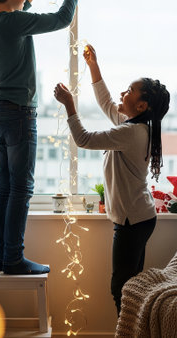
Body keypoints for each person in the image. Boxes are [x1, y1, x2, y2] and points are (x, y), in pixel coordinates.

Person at [54, 44, 170, 313]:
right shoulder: (135, 127)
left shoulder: (131, 133)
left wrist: (69, 105)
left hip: (133, 221)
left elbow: (82, 139)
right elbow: (107, 101)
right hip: (139, 217)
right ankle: (135, 331)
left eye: (130, 90)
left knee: (121, 289)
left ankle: (128, 332)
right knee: (129, 287)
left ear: (142, 105)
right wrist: (94, 64)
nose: (123, 92)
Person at [0, 0, 80, 275]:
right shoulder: (15, 22)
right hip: (19, 115)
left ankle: (2, 257)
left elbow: (15, 13)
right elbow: (62, 19)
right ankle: (13, 259)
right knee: (21, 189)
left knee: (5, 187)